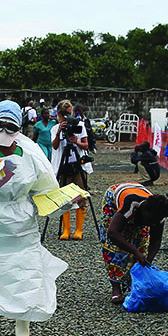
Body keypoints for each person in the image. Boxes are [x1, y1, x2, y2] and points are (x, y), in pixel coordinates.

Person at [0, 100, 67, 336]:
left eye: (9, 127)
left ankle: (22, 335)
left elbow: (47, 191)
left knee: (26, 275)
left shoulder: (32, 154)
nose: (3, 132)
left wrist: (66, 203)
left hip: (22, 225)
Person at [101, 182, 168, 304]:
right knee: (113, 248)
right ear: (143, 211)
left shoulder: (158, 215)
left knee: (141, 244)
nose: (153, 225)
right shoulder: (131, 204)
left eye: (156, 222)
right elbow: (113, 233)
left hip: (138, 196)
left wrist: (148, 259)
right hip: (115, 196)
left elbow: (156, 239)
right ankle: (116, 287)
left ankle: (132, 283)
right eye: (151, 221)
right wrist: (134, 251)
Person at [50, 99, 92, 241]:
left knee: (81, 195)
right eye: (64, 114)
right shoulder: (55, 128)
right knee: (64, 197)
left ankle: (79, 229)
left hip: (78, 165)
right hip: (63, 167)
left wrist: (76, 142)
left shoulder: (79, 125)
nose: (67, 117)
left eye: (69, 113)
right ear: (59, 114)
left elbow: (86, 145)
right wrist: (59, 133)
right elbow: (55, 147)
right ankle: (66, 229)